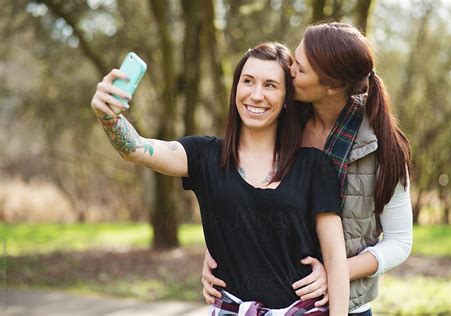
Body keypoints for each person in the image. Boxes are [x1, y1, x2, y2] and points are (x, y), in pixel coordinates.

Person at [90, 42, 349, 315]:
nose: (256, 94)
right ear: (236, 88)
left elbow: (335, 258)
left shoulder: (313, 165)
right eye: (248, 81)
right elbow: (136, 149)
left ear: (286, 99)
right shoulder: (205, 156)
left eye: (270, 85)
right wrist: (108, 118)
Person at [201, 23, 413, 315]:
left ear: (332, 86)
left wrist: (336, 271)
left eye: (299, 69)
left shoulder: (383, 147)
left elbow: (400, 242)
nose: (289, 72)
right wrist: (218, 253)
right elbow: (243, 194)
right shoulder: (281, 123)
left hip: (346, 306)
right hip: (277, 301)